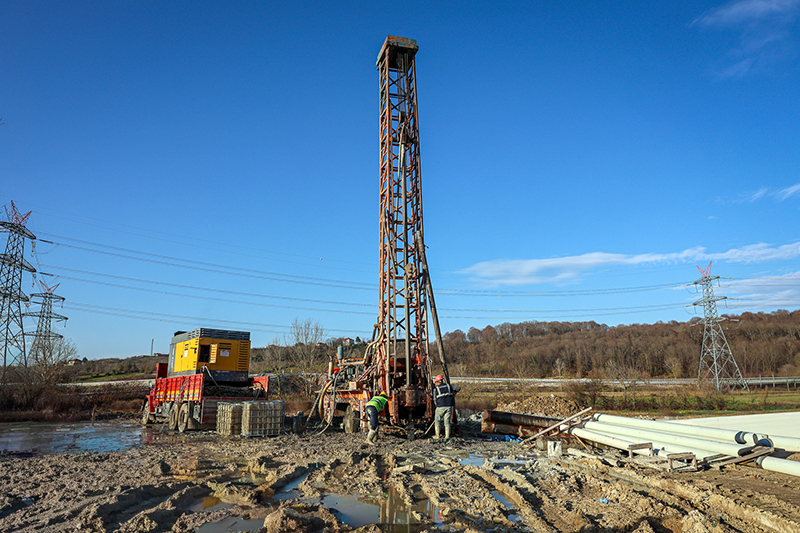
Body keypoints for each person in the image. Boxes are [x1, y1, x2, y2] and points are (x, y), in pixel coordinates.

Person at [433, 374, 460, 440]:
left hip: (440, 406)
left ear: (437, 382)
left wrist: (437, 406)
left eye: (436, 382)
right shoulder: (449, 386)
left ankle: (437, 436)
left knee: (437, 420)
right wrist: (454, 393)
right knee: (447, 422)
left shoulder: (436, 389)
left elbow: (434, 399)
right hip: (449, 406)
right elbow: (458, 388)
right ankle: (447, 436)